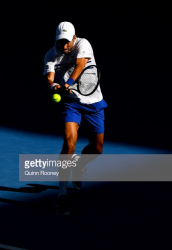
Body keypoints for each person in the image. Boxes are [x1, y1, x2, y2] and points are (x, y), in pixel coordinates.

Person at [43, 21, 107, 215]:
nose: (63, 46)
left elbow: (80, 65)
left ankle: (80, 165)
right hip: (71, 103)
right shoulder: (50, 54)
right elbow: (49, 76)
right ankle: (62, 196)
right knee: (69, 143)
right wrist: (53, 86)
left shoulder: (83, 44)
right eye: (60, 42)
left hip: (94, 102)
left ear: (74, 38)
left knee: (97, 149)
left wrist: (69, 82)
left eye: (66, 42)